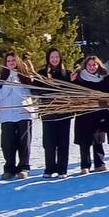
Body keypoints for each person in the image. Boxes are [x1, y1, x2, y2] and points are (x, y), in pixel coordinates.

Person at [0, 52, 34, 179]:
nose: (11, 63)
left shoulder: (25, 77)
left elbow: (27, 94)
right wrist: (8, 86)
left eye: (13, 60)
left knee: (24, 142)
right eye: (8, 61)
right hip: (7, 115)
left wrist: (16, 84)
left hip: (23, 113)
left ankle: (23, 167)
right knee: (7, 143)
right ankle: (9, 168)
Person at [38, 47, 73, 177]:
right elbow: (35, 91)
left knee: (63, 142)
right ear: (48, 58)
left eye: (57, 57)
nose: (54, 59)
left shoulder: (67, 74)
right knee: (49, 143)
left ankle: (62, 169)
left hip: (64, 112)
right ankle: (49, 168)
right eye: (52, 57)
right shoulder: (41, 73)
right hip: (48, 113)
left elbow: (73, 91)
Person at [72, 54, 109, 174]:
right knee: (84, 141)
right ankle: (85, 165)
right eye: (89, 65)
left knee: (98, 140)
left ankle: (99, 163)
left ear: (98, 65)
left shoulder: (103, 78)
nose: (92, 67)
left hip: (98, 113)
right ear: (85, 65)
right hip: (84, 113)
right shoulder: (79, 78)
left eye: (94, 65)